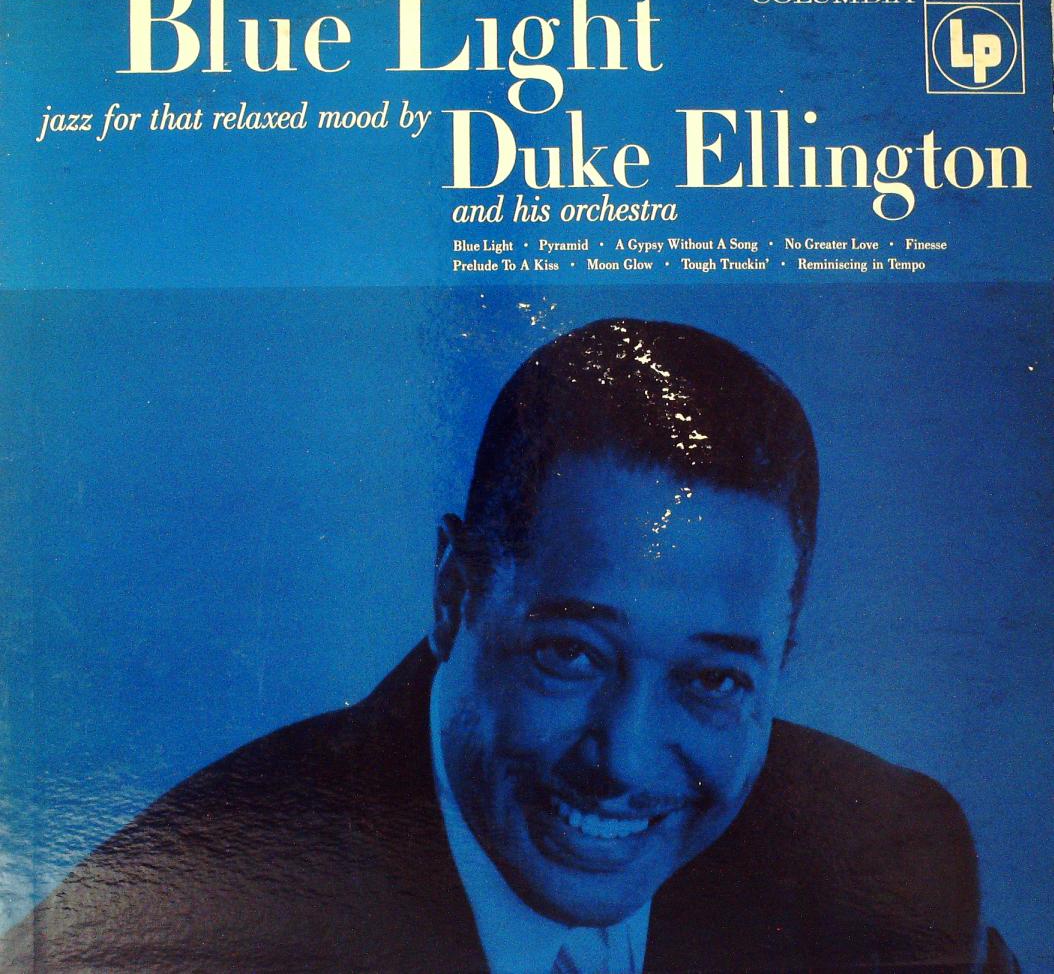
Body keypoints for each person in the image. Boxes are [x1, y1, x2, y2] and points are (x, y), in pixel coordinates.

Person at [1, 318, 1017, 973]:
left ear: (780, 662)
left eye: (712, 678)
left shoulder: (884, 867)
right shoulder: (179, 929)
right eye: (570, 654)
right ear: (454, 594)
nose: (624, 760)